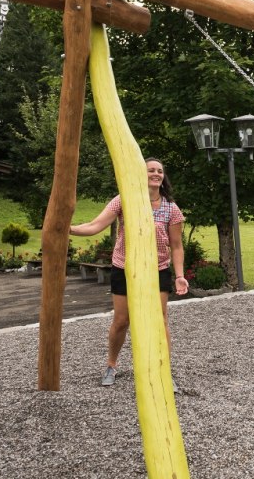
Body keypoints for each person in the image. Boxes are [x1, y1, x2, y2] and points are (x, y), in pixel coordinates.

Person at [70, 157, 188, 387]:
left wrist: (180, 275)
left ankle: (164, 371)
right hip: (125, 267)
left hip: (157, 269)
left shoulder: (170, 208)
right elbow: (95, 226)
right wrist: (67, 228)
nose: (155, 174)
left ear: (163, 177)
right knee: (122, 320)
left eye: (159, 171)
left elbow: (176, 245)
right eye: (150, 170)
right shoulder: (124, 200)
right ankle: (111, 365)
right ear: (140, 175)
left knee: (160, 321)